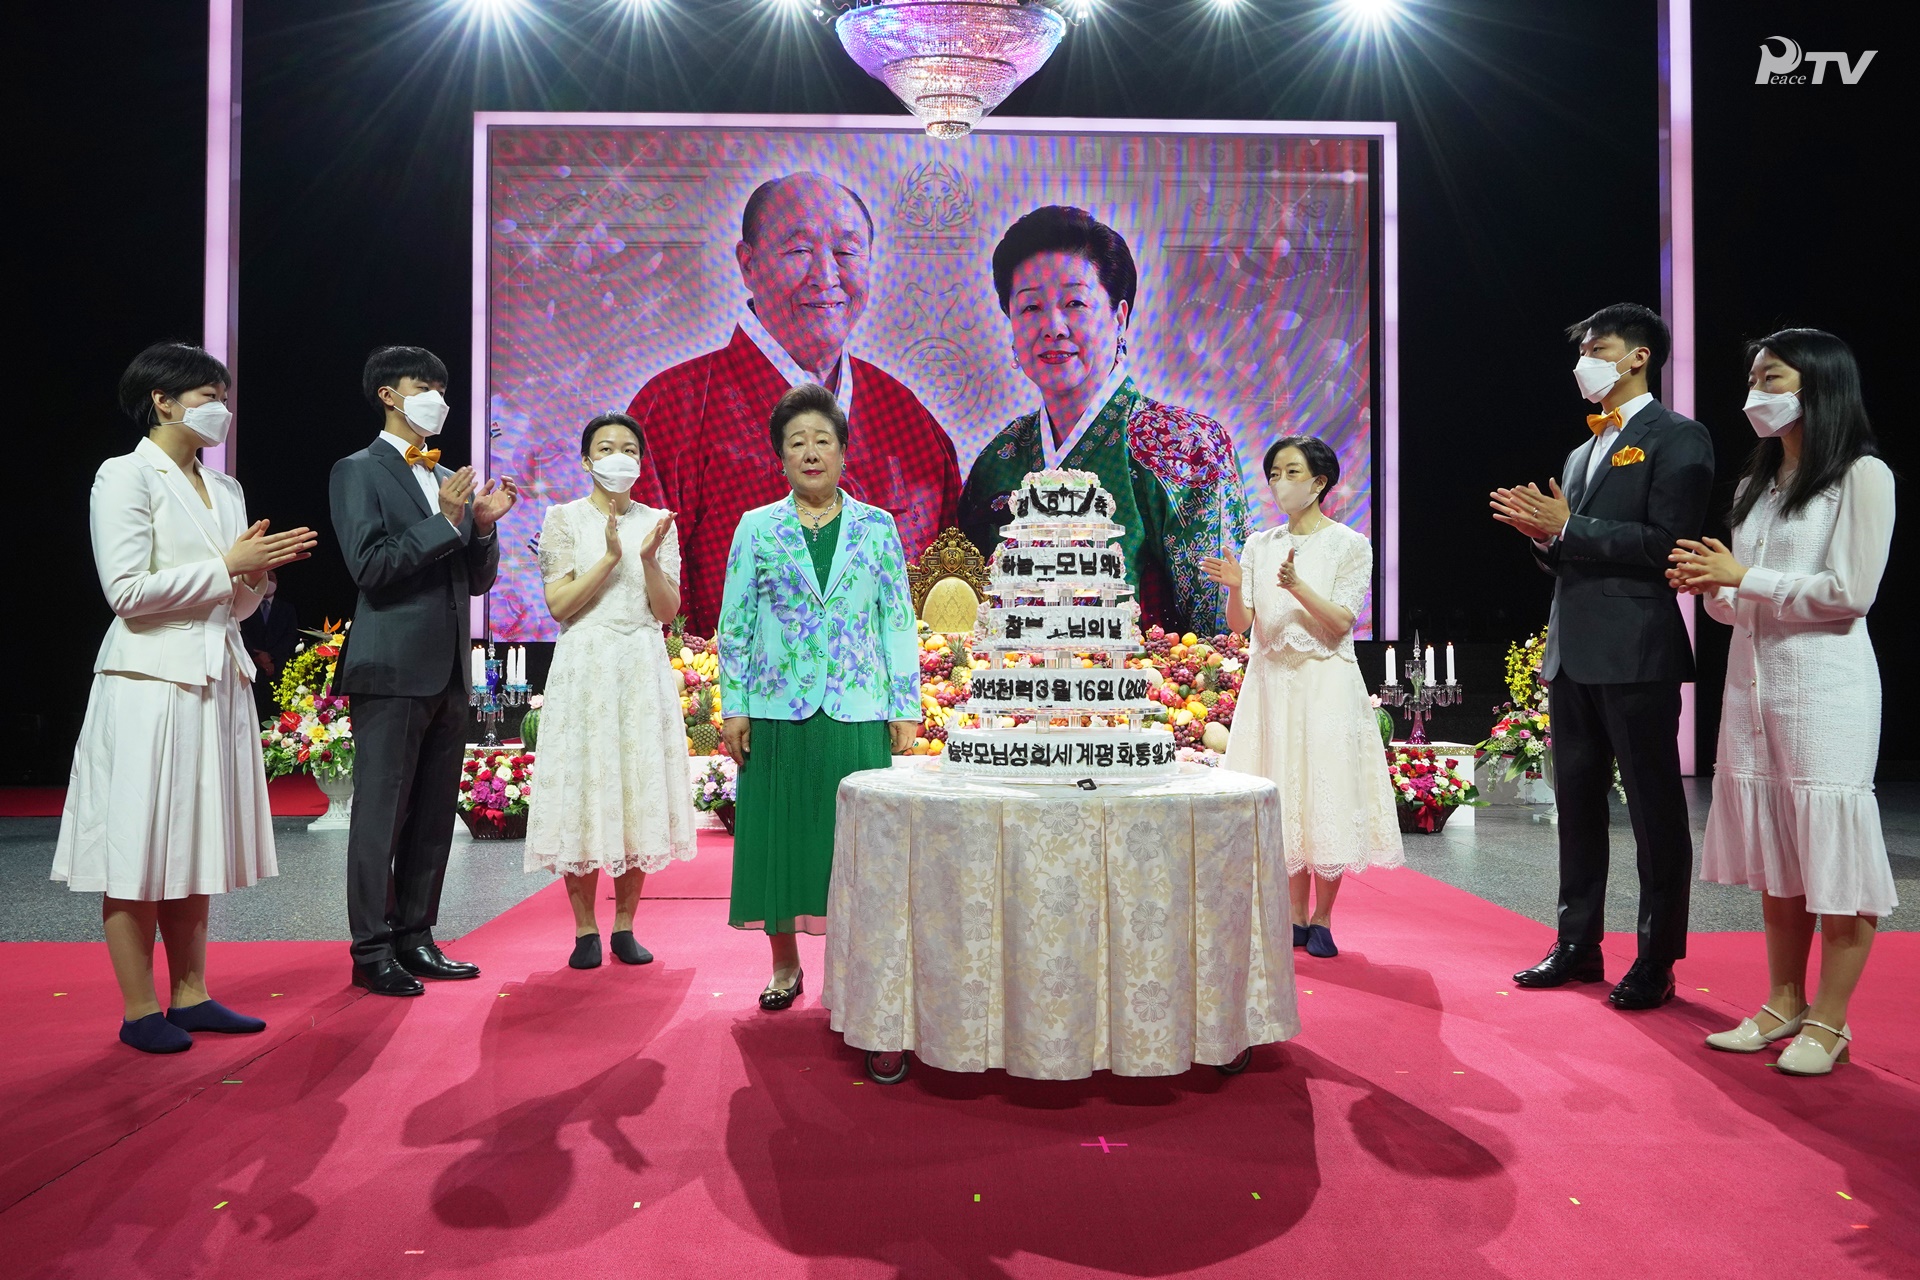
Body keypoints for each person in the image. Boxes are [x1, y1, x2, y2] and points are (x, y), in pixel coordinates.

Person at [53, 342, 316, 1052]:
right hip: (148, 680)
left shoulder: (224, 489)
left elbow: (227, 606)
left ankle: (192, 993)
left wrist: (255, 579)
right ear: (161, 401)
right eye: (206, 395)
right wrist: (227, 564)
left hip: (213, 675)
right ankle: (141, 1009)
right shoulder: (123, 476)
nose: (219, 409)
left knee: (192, 840)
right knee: (140, 844)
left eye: (223, 395)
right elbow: (127, 594)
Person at [1668, 329, 1895, 1076]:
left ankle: (1830, 1023)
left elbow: (1850, 595)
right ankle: (1782, 1000)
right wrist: (1717, 588)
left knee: (1832, 853)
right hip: (1752, 687)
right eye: (1755, 376)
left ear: (1818, 385)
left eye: (1773, 376)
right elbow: (1744, 603)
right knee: (1778, 854)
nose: (1757, 391)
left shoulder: (1862, 476)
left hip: (1826, 689)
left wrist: (1747, 579)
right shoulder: (1755, 488)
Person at [1489, 303, 1714, 1010]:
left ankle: (1657, 957)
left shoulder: (1680, 437)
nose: (1584, 360)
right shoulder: (1581, 452)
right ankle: (1577, 945)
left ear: (1638, 356)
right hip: (1573, 652)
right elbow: (1571, 555)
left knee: (1653, 813)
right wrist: (1543, 536)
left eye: (1598, 346)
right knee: (1578, 807)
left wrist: (1572, 526)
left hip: (1638, 650)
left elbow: (1667, 543)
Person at [627, 171, 961, 635]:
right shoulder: (671, 410)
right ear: (748, 264)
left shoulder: (907, 417)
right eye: (799, 250)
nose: (826, 276)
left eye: (846, 252)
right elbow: (637, 608)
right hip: (726, 702)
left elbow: (948, 602)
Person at [717, 383, 921, 1010]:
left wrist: (904, 705)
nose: (810, 453)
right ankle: (784, 967)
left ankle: (856, 967)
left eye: (822, 441)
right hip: (778, 711)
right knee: (778, 837)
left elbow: (897, 620)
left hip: (857, 709)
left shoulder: (878, 527)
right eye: (796, 442)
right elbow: (737, 621)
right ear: (780, 455)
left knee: (855, 844)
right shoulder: (757, 528)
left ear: (843, 452)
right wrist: (735, 703)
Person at [958, 205, 1249, 635]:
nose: (1053, 327)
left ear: (1120, 317)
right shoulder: (997, 461)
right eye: (1030, 307)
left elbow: (1225, 635)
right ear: (1012, 328)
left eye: (1075, 302)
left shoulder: (1185, 447)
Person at [329, 345, 518, 996]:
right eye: (422, 385)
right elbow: (370, 566)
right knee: (380, 815)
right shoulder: (358, 471)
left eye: (442, 385)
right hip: (391, 666)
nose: (437, 395)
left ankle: (416, 935)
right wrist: (444, 521)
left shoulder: (441, 476)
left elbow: (474, 579)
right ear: (388, 394)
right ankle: (370, 948)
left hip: (447, 672)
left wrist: (482, 529)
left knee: (435, 814)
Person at [1202, 437, 1401, 958]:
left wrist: (1296, 586)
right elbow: (1241, 624)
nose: (1279, 483)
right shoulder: (1258, 544)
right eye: (1272, 473)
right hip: (1271, 685)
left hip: (1324, 683)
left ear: (1319, 482)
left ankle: (1323, 917)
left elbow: (1339, 625)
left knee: (1323, 788)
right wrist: (1235, 588)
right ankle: (1291, 914)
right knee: (1282, 790)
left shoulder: (1349, 545)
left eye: (1291, 472)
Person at [526, 411, 697, 969]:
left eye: (628, 448)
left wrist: (646, 559)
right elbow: (559, 606)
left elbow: (667, 609)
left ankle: (625, 924)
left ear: (641, 461)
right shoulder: (561, 518)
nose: (618, 456)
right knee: (585, 784)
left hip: (640, 661)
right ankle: (583, 930)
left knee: (635, 783)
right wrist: (608, 558)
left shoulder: (659, 522)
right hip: (586, 661)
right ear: (586, 460)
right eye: (605, 447)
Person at [239, 569, 299, 720]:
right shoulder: (244, 607)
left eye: (273, 578)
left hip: (279, 668)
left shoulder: (287, 608)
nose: (270, 580)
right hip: (251, 667)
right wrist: (256, 656)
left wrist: (271, 656)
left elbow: (290, 636)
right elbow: (240, 632)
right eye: (267, 577)